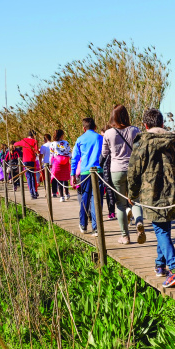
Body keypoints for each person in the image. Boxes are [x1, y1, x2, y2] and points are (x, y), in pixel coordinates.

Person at [127, 109, 175, 288]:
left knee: (161, 230)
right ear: (162, 124)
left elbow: (134, 171)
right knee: (163, 226)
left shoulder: (142, 143)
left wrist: (131, 194)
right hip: (174, 192)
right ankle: (160, 264)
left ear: (145, 125)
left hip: (152, 194)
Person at [102, 105, 145, 245]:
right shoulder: (135, 130)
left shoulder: (108, 133)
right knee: (135, 200)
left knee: (120, 205)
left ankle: (125, 237)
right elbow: (140, 150)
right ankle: (139, 224)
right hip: (133, 170)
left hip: (116, 171)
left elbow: (104, 154)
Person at [71, 118, 104, 236]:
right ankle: (96, 228)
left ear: (84, 128)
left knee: (84, 198)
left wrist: (72, 174)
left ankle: (83, 224)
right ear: (95, 127)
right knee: (97, 200)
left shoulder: (80, 140)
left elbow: (74, 158)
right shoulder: (101, 138)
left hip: (85, 172)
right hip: (98, 171)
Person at [14, 131, 39, 199]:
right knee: (33, 176)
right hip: (32, 160)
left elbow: (16, 144)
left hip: (25, 161)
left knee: (28, 177)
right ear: (33, 136)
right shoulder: (34, 141)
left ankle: (31, 193)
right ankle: (35, 191)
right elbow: (36, 151)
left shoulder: (24, 140)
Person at [50, 129, 71, 202]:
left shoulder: (53, 144)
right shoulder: (66, 143)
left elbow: (51, 154)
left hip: (57, 162)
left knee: (59, 179)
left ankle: (61, 196)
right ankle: (67, 194)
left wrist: (50, 163)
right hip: (65, 161)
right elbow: (69, 152)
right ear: (61, 135)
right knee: (65, 178)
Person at [100, 126, 116, 220]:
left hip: (107, 168)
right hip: (117, 167)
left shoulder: (104, 144)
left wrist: (100, 164)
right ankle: (127, 210)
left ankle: (111, 212)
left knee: (109, 191)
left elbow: (103, 156)